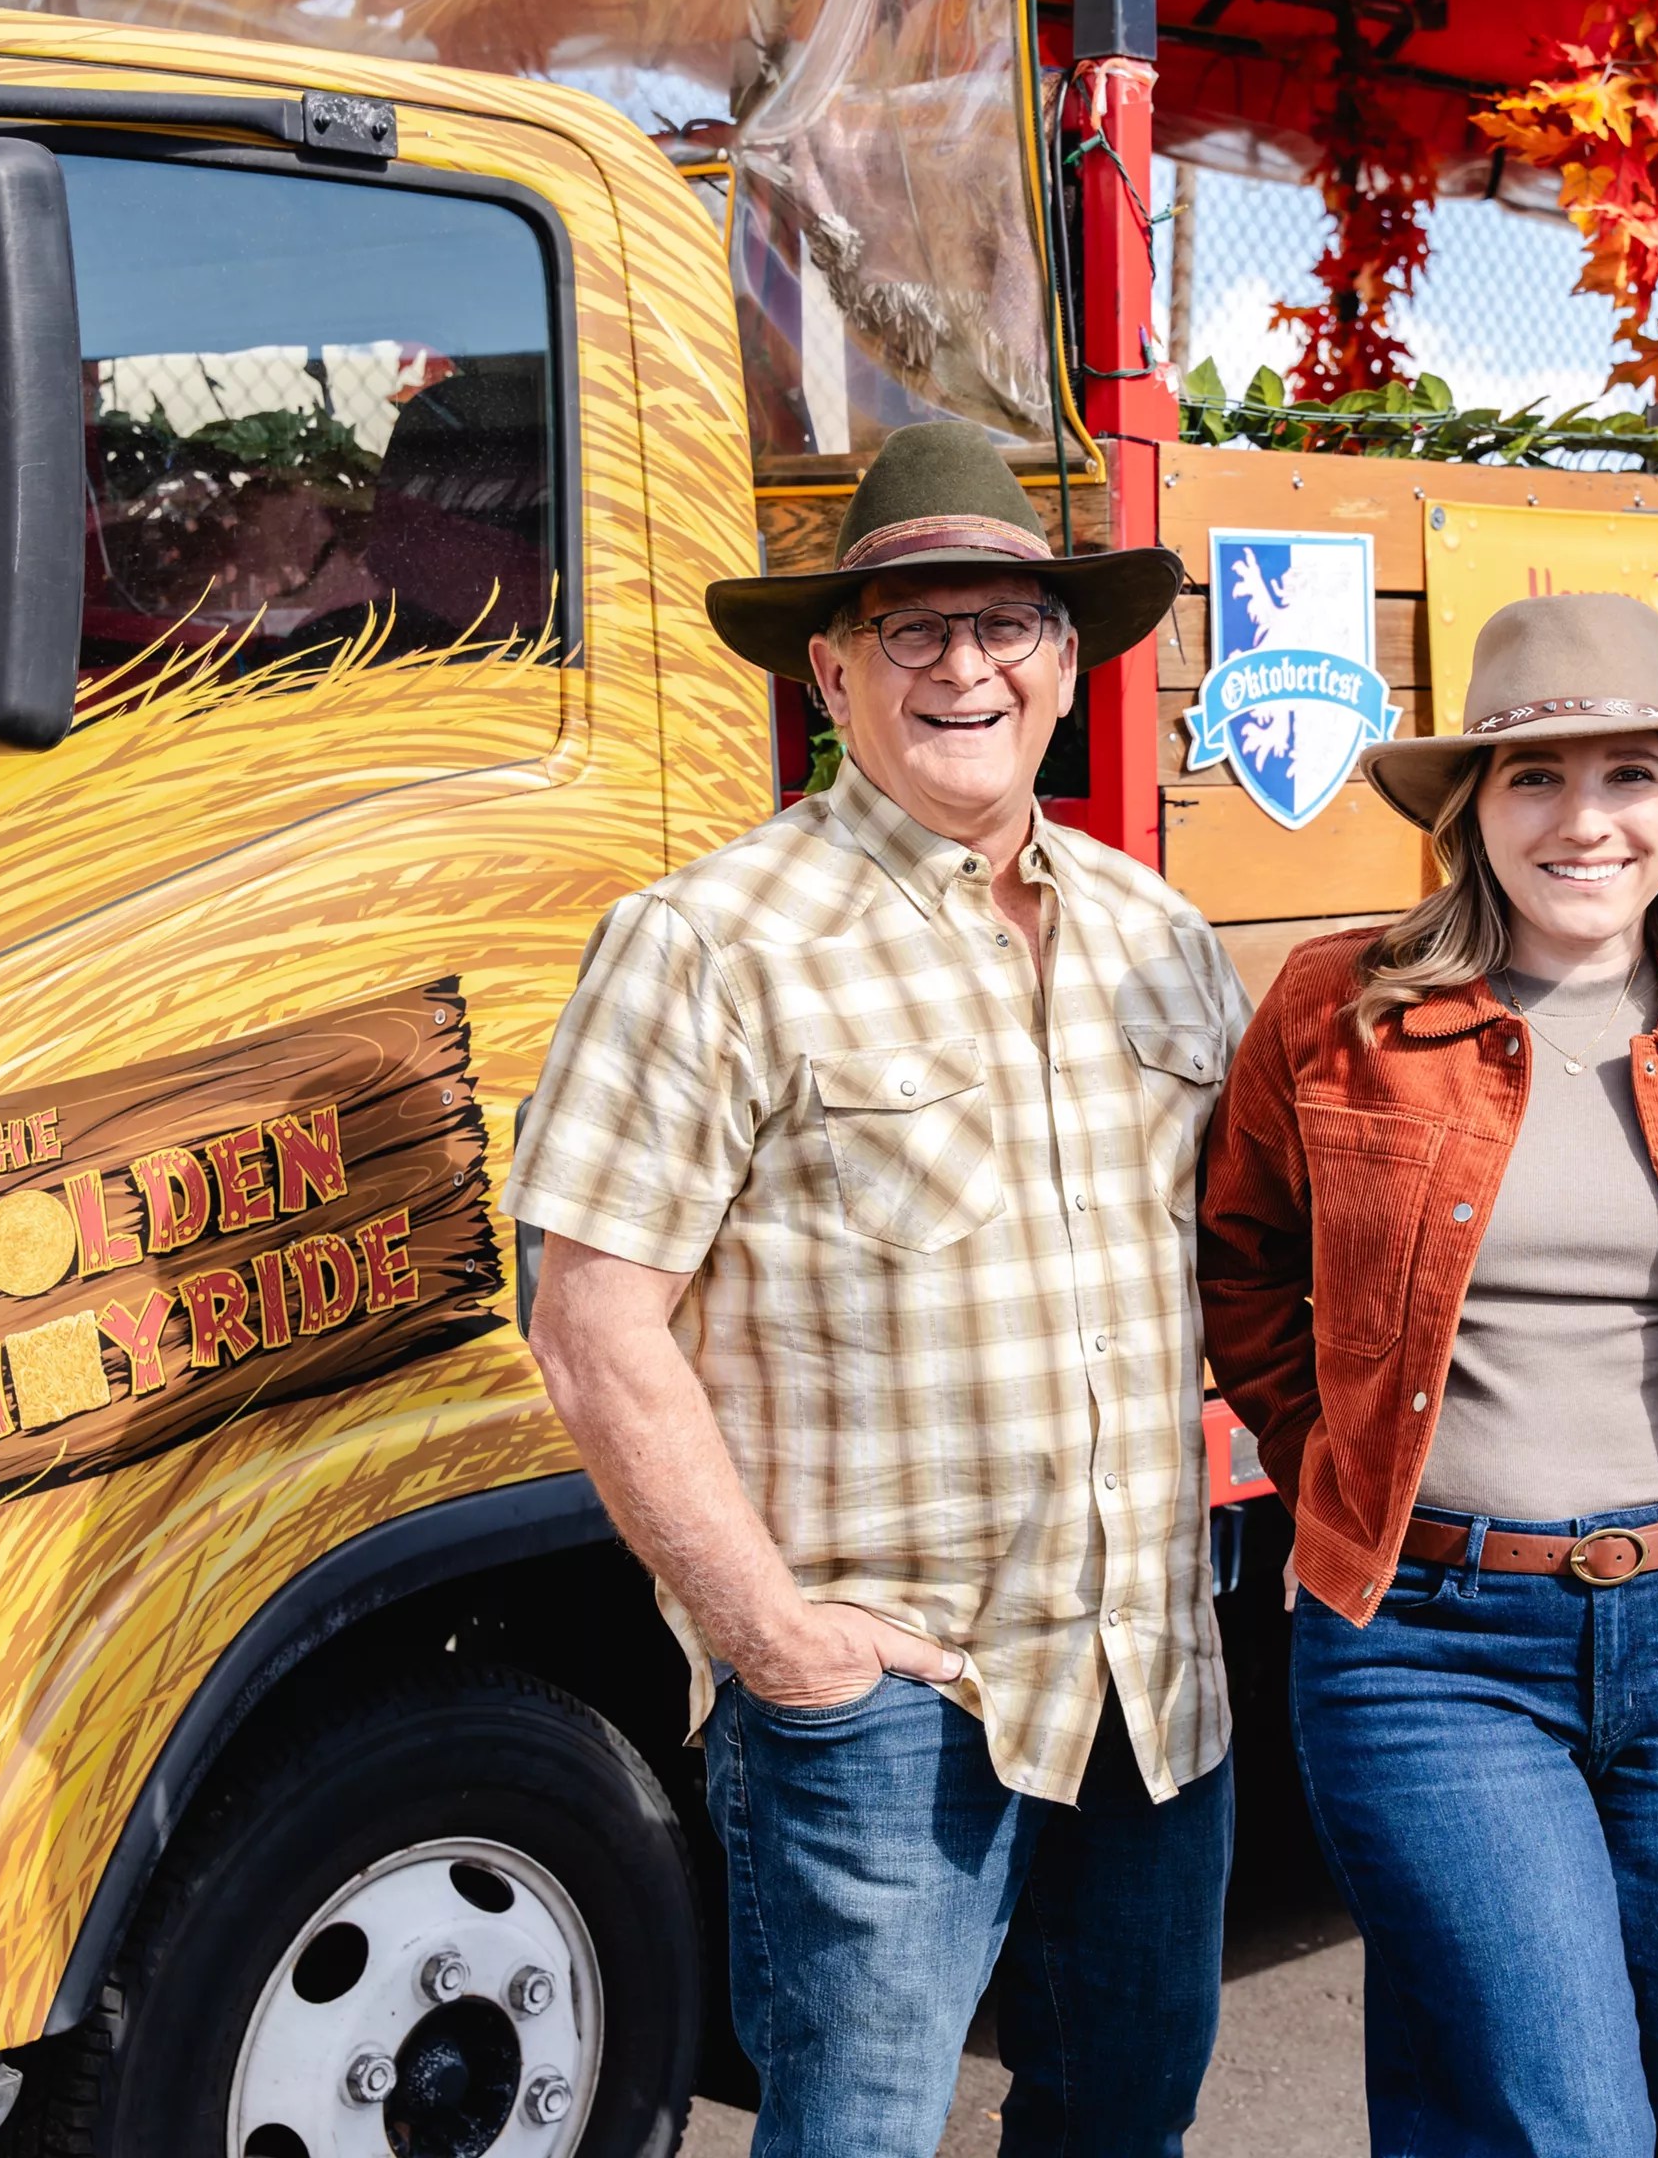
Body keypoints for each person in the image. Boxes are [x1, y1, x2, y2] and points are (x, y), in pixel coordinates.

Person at [505, 421, 1243, 2156]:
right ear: (832, 668)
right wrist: (776, 1641)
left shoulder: (1159, 933)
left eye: (1007, 623)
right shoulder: (709, 940)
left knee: (1125, 2122)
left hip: (1150, 1673)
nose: (965, 666)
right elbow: (590, 1322)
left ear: (1069, 665)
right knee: (858, 2139)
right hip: (893, 1703)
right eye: (915, 627)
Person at [1196, 593, 1658, 2154]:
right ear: (1470, 815)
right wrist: (1328, 1447)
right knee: (1567, 2121)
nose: (1584, 821)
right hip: (1428, 1650)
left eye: (1628, 777)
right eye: (1533, 779)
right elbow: (1243, 1258)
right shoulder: (1343, 1013)